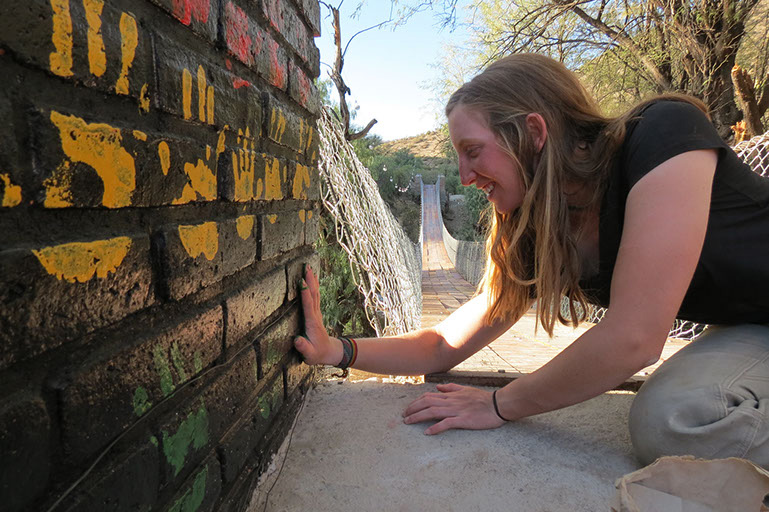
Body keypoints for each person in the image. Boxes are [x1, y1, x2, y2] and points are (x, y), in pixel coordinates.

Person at [294, 53, 769, 469]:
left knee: (666, 421)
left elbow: (636, 338)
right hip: (747, 325)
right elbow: (442, 343)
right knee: (670, 419)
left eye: (472, 151)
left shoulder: (661, 135)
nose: (464, 176)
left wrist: (499, 404)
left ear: (533, 132)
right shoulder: (534, 229)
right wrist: (337, 350)